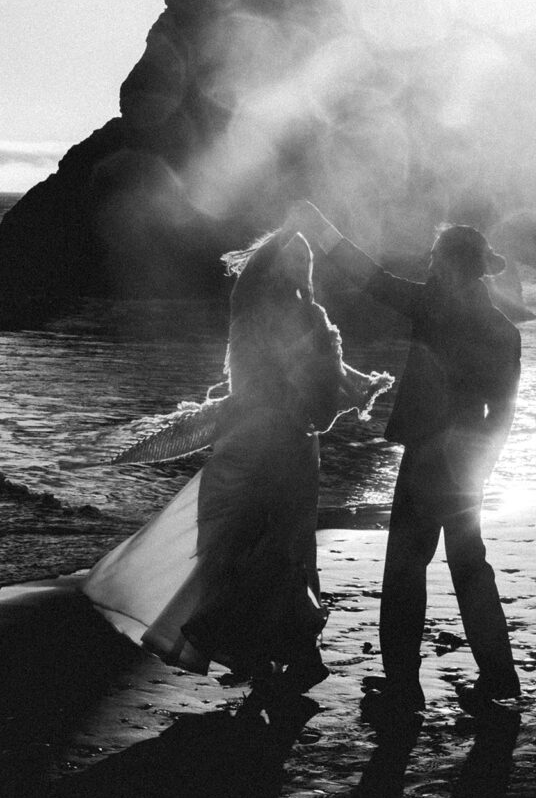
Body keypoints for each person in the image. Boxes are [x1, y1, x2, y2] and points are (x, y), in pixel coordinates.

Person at [82, 229, 393, 694]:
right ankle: (283, 656)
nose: (302, 268)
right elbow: (323, 397)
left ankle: (264, 657)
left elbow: (312, 384)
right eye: (299, 259)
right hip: (282, 448)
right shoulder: (307, 318)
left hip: (253, 445)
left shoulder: (250, 312)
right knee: (277, 553)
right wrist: (346, 389)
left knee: (236, 551)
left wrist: (349, 384)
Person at [288, 201, 522, 721]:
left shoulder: (435, 308)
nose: (430, 266)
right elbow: (501, 415)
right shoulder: (504, 328)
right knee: (469, 569)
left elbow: (372, 279)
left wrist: (319, 227)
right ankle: (499, 679)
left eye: (437, 259)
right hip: (467, 468)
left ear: (451, 265)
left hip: (427, 459)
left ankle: (404, 687)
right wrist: (476, 465)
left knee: (404, 572)